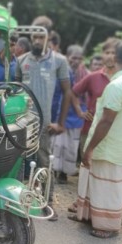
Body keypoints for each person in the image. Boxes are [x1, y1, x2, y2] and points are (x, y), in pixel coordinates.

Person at [15, 16, 71, 221]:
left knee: (44, 162)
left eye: (41, 36)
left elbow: (67, 92)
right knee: (18, 161)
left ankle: (48, 203)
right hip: (22, 121)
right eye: (34, 36)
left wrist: (61, 123)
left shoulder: (59, 61)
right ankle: (18, 202)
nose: (37, 40)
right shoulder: (21, 61)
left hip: (45, 123)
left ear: (49, 36)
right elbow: (16, 90)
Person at [70, 41, 122, 239]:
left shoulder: (117, 85)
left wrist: (89, 148)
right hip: (118, 144)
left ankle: (109, 226)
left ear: (115, 58)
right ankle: (92, 216)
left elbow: (106, 121)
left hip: (108, 145)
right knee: (104, 183)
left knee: (106, 186)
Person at [50, 45, 87, 183]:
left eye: (79, 58)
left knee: (71, 146)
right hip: (62, 111)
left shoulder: (85, 73)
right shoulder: (62, 70)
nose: (75, 61)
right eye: (73, 58)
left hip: (76, 116)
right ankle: (55, 170)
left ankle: (65, 173)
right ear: (67, 57)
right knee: (58, 144)